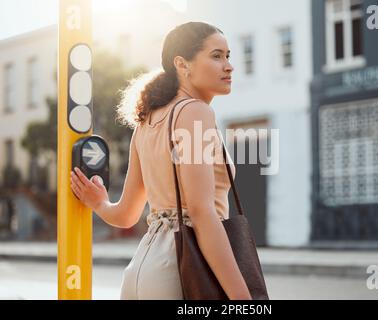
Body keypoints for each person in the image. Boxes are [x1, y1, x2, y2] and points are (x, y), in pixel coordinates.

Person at [69, 21, 252, 300]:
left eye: (228, 56)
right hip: (182, 272)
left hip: (143, 269)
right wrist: (244, 301)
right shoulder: (195, 112)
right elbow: (202, 213)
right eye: (216, 56)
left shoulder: (146, 124)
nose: (228, 66)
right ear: (183, 64)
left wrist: (100, 204)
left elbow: (127, 215)